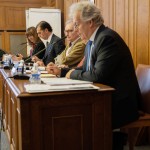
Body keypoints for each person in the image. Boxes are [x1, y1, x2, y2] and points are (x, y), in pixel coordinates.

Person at [46, 2, 142, 150]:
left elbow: (97, 75)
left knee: (75, 113)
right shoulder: (92, 41)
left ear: (90, 22)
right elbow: (85, 69)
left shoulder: (106, 39)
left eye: (77, 25)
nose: (76, 30)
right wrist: (62, 72)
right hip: (105, 98)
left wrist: (71, 74)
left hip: (120, 102)